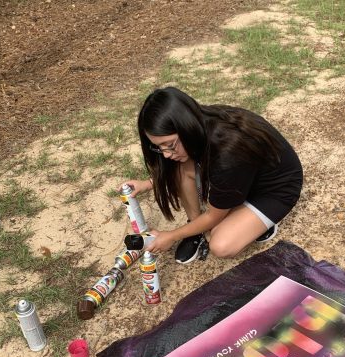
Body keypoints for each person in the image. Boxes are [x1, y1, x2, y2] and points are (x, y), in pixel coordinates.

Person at [122, 87, 303, 264]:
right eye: (159, 147)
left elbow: (213, 216)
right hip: (243, 179)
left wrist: (171, 236)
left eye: (169, 145)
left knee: (221, 245)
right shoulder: (199, 123)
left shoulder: (228, 152)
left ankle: (258, 224)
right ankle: (197, 229)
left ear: (185, 126)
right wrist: (149, 183)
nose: (166, 154)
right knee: (180, 165)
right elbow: (178, 169)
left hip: (275, 190)